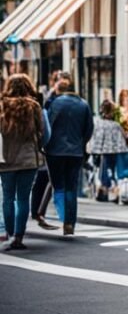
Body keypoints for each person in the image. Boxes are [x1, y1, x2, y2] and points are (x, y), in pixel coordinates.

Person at [1, 75, 51, 250]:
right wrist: (37, 145)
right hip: (28, 159)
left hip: (5, 160)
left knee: (8, 198)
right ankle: (19, 237)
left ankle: (9, 233)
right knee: (23, 198)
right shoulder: (34, 106)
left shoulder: (2, 106)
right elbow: (45, 134)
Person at [43, 74, 93, 235]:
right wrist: (81, 143)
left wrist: (45, 145)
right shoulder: (83, 105)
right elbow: (89, 129)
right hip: (75, 151)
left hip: (55, 151)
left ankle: (64, 217)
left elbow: (47, 126)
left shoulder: (54, 103)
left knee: (59, 186)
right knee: (71, 187)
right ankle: (70, 223)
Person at [31, 70, 68, 229]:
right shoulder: (49, 102)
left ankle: (36, 214)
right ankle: (42, 214)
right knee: (48, 181)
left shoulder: (49, 102)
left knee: (47, 181)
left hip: (51, 148)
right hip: (54, 147)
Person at [90, 100, 128, 202]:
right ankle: (113, 190)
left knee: (103, 170)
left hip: (103, 151)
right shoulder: (116, 125)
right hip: (115, 151)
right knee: (113, 171)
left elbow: (96, 138)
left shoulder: (99, 124)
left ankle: (105, 190)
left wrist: (93, 150)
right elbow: (124, 136)